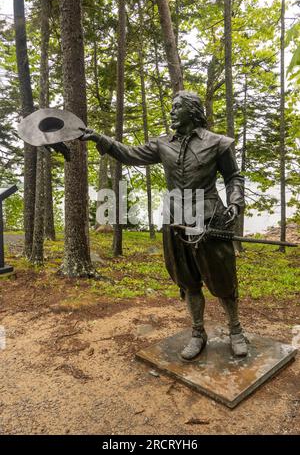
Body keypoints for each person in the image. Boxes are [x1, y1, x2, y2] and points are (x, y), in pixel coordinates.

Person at [81, 91, 248, 359]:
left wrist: (235, 204)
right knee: (187, 280)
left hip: (209, 220)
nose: (171, 111)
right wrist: (101, 139)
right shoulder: (162, 144)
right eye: (171, 106)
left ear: (192, 111)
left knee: (223, 279)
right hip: (174, 221)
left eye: (177, 107)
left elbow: (233, 177)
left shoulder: (218, 143)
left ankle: (236, 330)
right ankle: (197, 332)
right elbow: (130, 154)